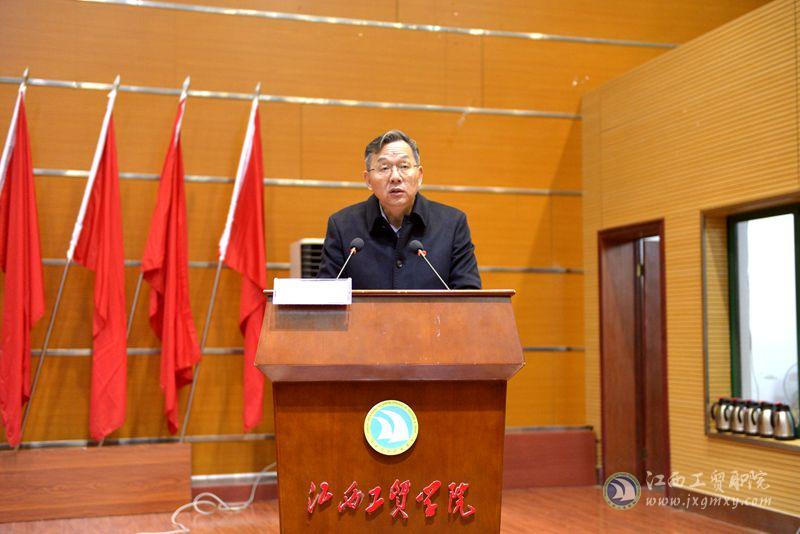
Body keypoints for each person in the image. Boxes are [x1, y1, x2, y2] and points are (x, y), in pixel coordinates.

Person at [316, 130, 481, 289]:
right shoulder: (342, 226)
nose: (395, 177)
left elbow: (469, 297)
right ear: (368, 180)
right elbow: (326, 298)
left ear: (419, 175)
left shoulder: (452, 225)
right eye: (384, 168)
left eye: (404, 166)